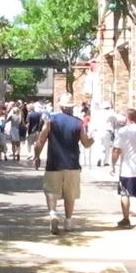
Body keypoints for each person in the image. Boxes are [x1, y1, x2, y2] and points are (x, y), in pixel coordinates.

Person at [32, 93, 94, 235]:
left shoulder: (51, 120)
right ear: (72, 107)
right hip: (72, 163)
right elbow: (86, 143)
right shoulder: (78, 123)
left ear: (61, 106)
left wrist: (36, 156)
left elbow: (41, 140)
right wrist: (93, 138)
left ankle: (53, 213)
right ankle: (68, 220)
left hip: (54, 162)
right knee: (69, 194)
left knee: (51, 191)